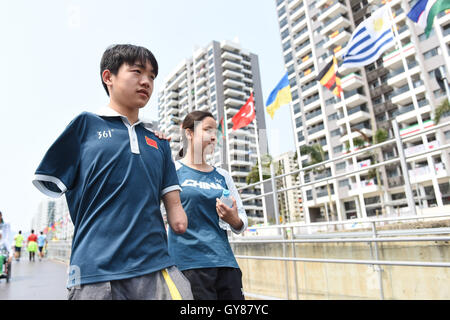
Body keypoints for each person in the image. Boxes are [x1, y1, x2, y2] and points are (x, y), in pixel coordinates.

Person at [32, 44, 192, 300]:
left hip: (156, 268)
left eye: (151, 76)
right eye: (137, 71)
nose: (146, 82)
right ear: (109, 77)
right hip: (95, 271)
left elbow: (177, 215)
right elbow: (51, 181)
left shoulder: (159, 142)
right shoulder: (84, 126)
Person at [168, 111, 248, 300]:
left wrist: (233, 219)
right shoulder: (171, 171)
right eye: (207, 130)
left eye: (216, 132)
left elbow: (241, 220)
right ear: (188, 133)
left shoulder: (223, 176)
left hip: (226, 264)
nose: (214, 136)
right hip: (188, 267)